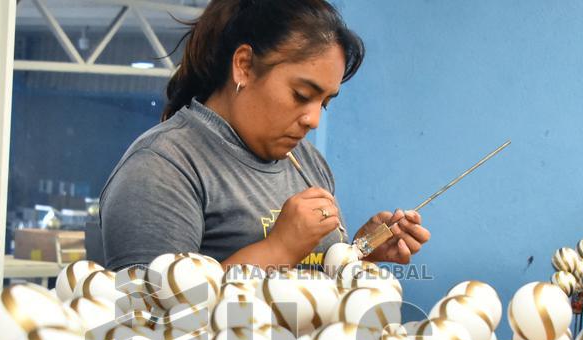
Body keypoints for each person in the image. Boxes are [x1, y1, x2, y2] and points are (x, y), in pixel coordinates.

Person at [97, 0, 430, 272]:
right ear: (243, 65)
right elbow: (145, 319)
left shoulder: (308, 164)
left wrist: (358, 254)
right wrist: (279, 248)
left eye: (324, 104)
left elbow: (312, 296)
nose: (313, 120)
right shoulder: (163, 167)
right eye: (301, 95)